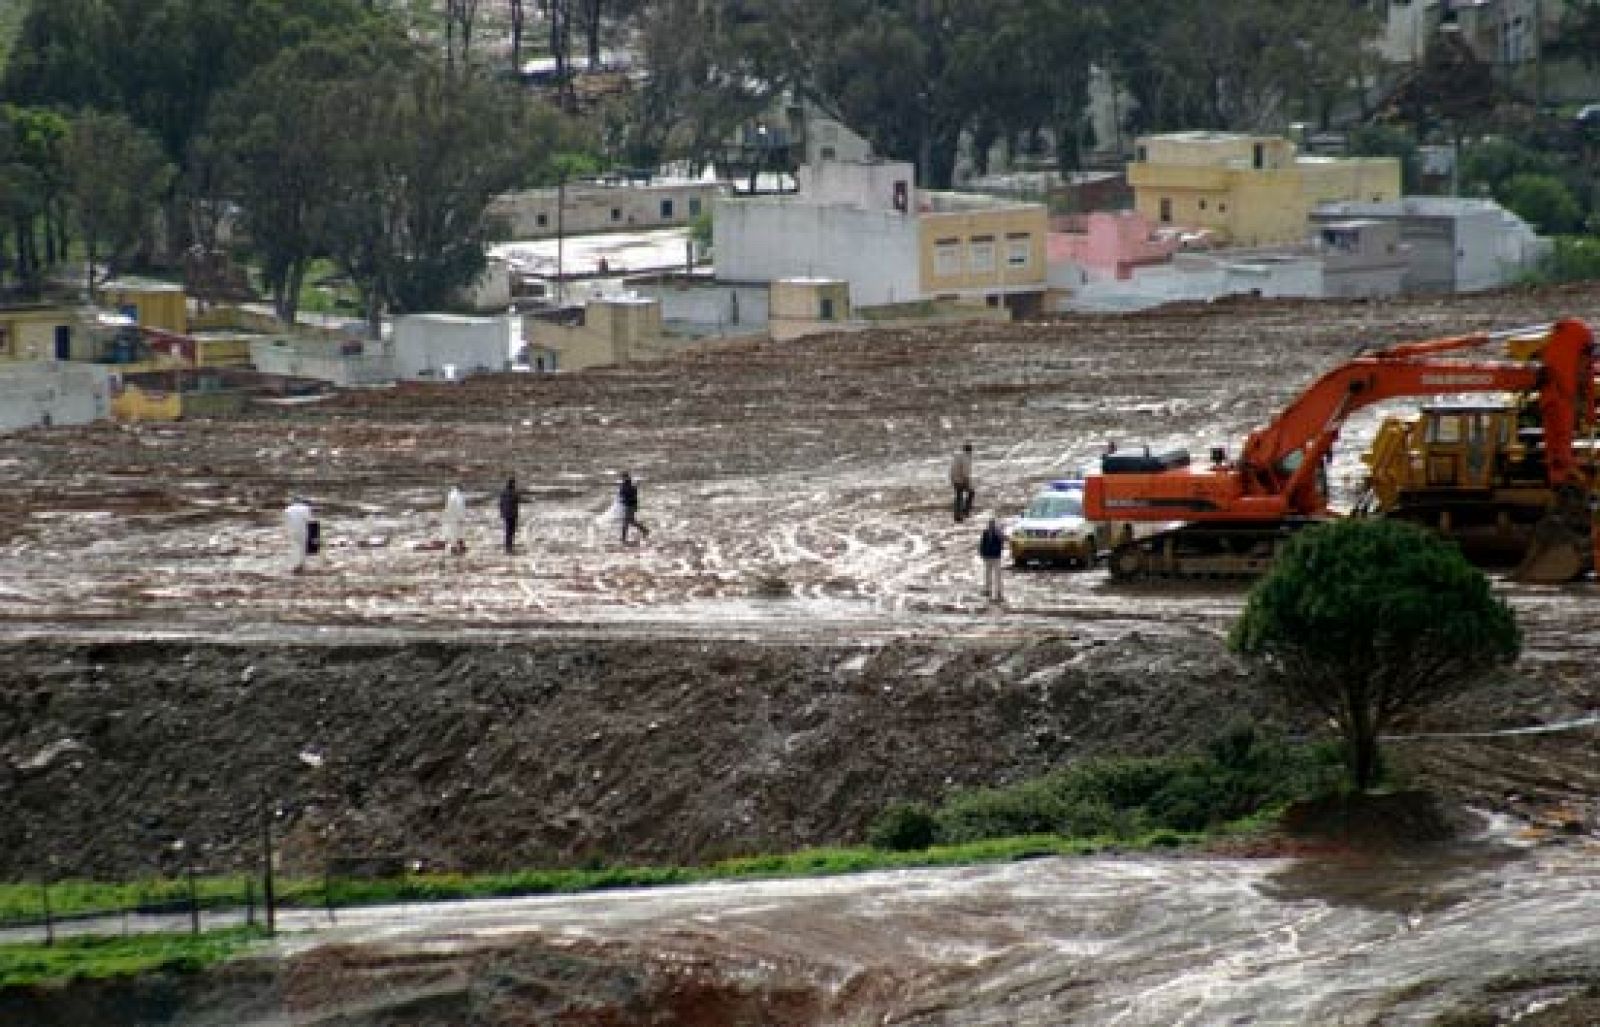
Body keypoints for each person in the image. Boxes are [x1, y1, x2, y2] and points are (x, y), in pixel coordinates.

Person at [979, 515, 1006, 603]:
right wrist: (982, 553)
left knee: (997, 575)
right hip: (987, 556)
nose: (991, 526)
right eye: (990, 524)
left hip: (996, 557)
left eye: (992, 524)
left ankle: (999, 592)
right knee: (987, 574)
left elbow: (1002, 543)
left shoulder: (998, 533)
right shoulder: (985, 533)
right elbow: (982, 543)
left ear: (994, 525)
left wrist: (998, 551)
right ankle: (987, 590)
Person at [284, 497, 314, 574]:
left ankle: (295, 565)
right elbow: (310, 520)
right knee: (303, 547)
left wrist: (287, 531)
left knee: (295, 547)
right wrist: (314, 533)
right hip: (303, 530)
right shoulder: (305, 508)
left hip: (292, 531)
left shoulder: (288, 509)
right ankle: (301, 565)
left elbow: (287, 521)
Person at [618, 471, 649, 544]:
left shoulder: (627, 486)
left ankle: (623, 538)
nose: (623, 479)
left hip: (629, 506)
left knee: (626, 522)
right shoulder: (629, 485)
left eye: (623, 477)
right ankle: (644, 530)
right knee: (631, 521)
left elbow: (625, 496)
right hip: (630, 506)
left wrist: (624, 500)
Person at [950, 442, 975, 522]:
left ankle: (958, 515)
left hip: (954, 479)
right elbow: (965, 473)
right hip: (961, 480)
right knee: (971, 493)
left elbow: (952, 468)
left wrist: (953, 479)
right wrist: (968, 483)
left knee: (959, 497)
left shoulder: (958, 456)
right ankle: (965, 512)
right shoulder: (966, 458)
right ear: (970, 451)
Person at [498, 477, 521, 554]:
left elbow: (501, 504)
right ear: (513, 484)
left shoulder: (503, 493)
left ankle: (508, 546)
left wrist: (502, 513)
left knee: (508, 531)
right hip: (512, 515)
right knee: (511, 531)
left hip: (506, 515)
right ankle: (509, 547)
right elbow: (518, 500)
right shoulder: (514, 493)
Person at [443, 486, 467, 555]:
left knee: (453, 533)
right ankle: (459, 548)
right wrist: (461, 517)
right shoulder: (459, 496)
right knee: (459, 532)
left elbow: (448, 508)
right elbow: (460, 508)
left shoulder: (451, 496)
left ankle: (454, 548)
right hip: (456, 517)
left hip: (451, 517)